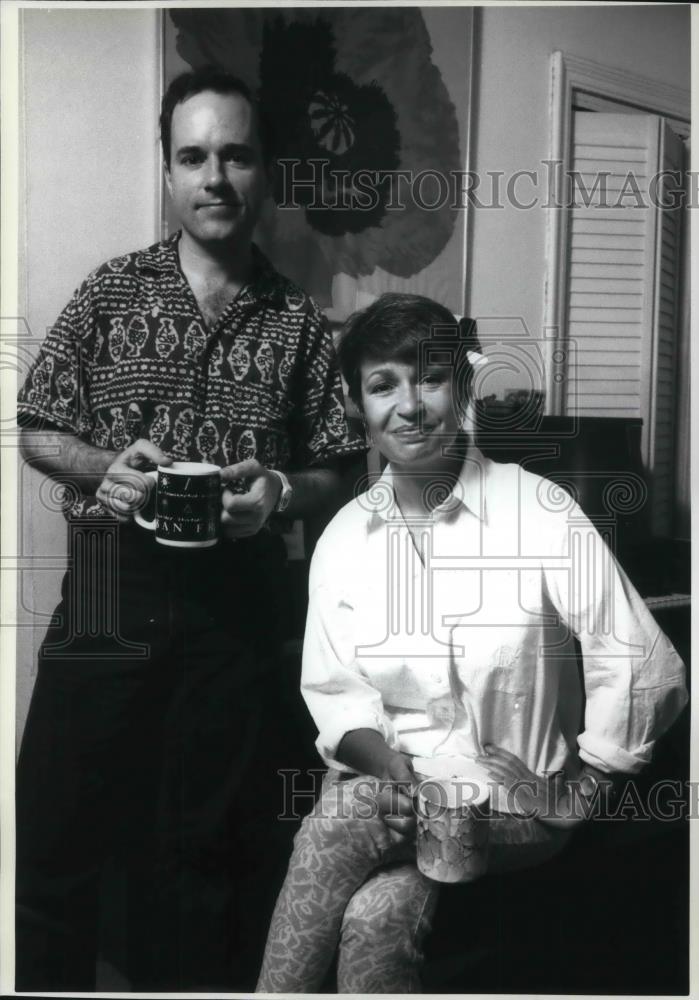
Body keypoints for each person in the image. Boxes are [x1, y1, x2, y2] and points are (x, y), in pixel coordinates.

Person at [15, 66, 365, 992]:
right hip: (107, 589)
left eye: (236, 155)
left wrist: (279, 492)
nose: (216, 177)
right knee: (55, 834)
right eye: (194, 156)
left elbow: (339, 467)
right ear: (168, 172)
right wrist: (102, 468)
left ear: (263, 172)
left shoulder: (296, 320)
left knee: (208, 852)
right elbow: (36, 425)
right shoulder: (109, 291)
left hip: (233, 613)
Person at [255, 292, 688, 993]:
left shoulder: (539, 511)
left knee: (340, 816)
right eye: (382, 384)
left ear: (460, 385)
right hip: (395, 793)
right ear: (354, 405)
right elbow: (337, 694)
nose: (410, 404)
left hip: (512, 809)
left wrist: (585, 787)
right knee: (374, 916)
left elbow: (642, 659)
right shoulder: (343, 538)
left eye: (429, 377)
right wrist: (392, 773)